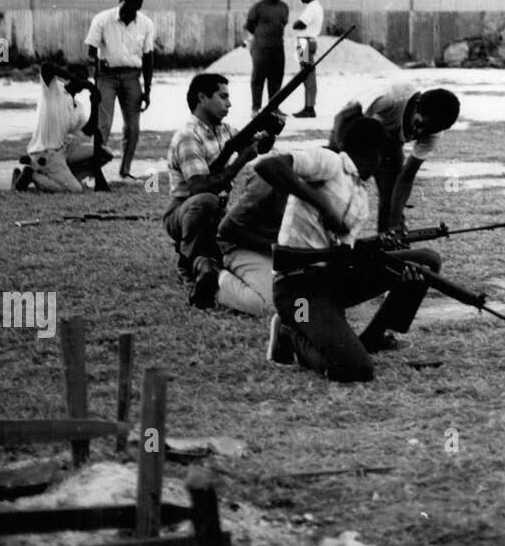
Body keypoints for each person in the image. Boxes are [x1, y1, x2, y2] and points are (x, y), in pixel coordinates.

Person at [261, 117, 437, 383]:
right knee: (354, 370)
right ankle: (290, 332)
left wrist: (381, 256)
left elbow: (342, 258)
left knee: (425, 262)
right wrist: (322, 204)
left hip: (329, 284)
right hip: (298, 296)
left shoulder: (361, 197)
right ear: (377, 155)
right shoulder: (329, 162)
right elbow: (270, 165)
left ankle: (372, 339)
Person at [165, 73, 275, 309]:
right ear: (202, 97)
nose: (229, 103)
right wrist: (239, 161)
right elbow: (198, 188)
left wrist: (270, 129)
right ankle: (188, 266)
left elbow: (260, 146)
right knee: (205, 201)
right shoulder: (188, 135)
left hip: (217, 211)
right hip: (184, 211)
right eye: (223, 97)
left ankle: (206, 258)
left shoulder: (225, 130)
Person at [329, 81, 461, 237]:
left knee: (391, 198)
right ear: (416, 104)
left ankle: (386, 241)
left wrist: (394, 224)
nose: (417, 131)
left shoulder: (433, 133)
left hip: (390, 141)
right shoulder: (390, 100)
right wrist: (336, 155)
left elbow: (406, 176)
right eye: (419, 124)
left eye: (424, 132)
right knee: (339, 185)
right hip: (353, 128)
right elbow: (343, 118)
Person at [84, 0, 155, 182]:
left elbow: (148, 59)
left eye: (132, 10)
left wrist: (147, 90)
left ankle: (125, 171)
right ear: (120, 2)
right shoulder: (102, 19)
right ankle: (94, 173)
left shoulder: (146, 24)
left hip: (132, 77)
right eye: (125, 8)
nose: (127, 13)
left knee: (132, 127)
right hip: (106, 77)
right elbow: (90, 51)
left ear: (138, 9)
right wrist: (96, 62)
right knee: (103, 125)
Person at [14, 63, 109, 192]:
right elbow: (47, 67)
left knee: (104, 153)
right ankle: (32, 175)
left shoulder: (78, 106)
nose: (83, 81)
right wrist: (78, 81)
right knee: (76, 190)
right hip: (45, 153)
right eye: (79, 77)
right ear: (69, 77)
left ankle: (59, 176)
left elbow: (88, 132)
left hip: (62, 151)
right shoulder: (53, 89)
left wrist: (94, 105)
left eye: (85, 78)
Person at [211, 157, 287, 317]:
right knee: (273, 306)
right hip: (244, 247)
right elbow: (227, 230)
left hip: (279, 253)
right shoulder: (269, 178)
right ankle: (213, 276)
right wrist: (279, 248)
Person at [245, 0, 289, 116]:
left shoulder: (284, 7)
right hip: (261, 48)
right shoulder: (259, 6)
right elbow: (249, 25)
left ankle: (273, 107)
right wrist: (260, 37)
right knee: (258, 77)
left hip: (277, 48)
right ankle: (255, 108)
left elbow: (283, 24)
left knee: (276, 78)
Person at [290, 0, 323, 119]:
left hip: (305, 43)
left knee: (307, 76)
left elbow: (299, 24)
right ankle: (308, 106)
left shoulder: (312, 8)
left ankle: (309, 108)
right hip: (307, 41)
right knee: (307, 76)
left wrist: (295, 23)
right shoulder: (315, 7)